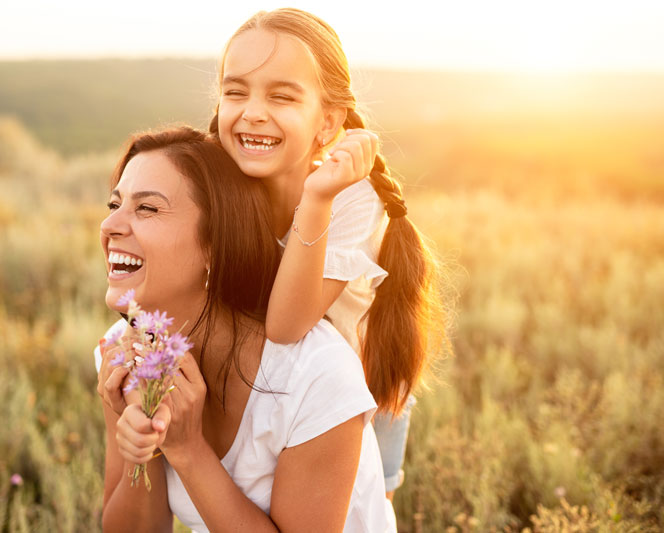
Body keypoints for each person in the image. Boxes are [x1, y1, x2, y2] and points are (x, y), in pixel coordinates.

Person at [96, 127, 397, 532]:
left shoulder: (315, 375)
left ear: (215, 245)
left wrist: (187, 450)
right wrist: (141, 443)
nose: (110, 224)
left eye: (147, 208)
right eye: (114, 204)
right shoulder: (125, 354)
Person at [207, 8, 448, 500]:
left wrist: (316, 199)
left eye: (281, 96)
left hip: (354, 409)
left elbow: (287, 325)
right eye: (236, 92)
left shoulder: (352, 198)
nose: (252, 111)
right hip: (264, 406)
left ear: (328, 121)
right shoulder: (217, 187)